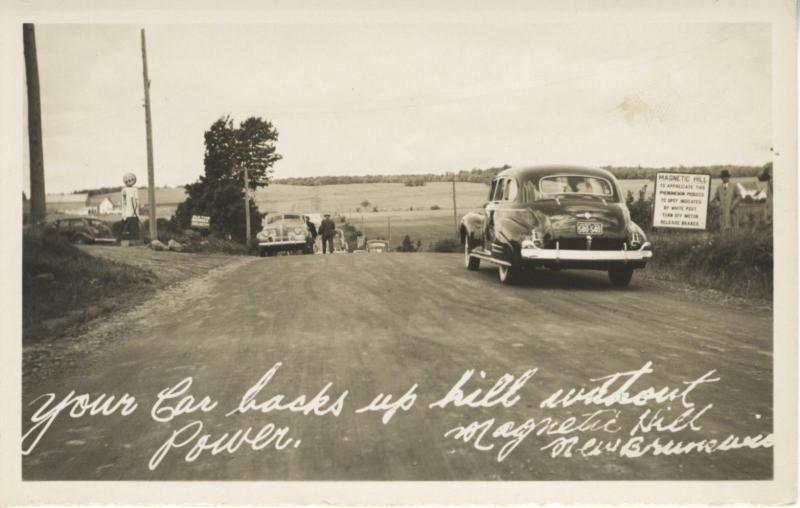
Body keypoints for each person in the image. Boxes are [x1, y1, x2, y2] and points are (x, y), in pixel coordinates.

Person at [119, 172, 140, 245]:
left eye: (131, 180)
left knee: (134, 229)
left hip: (134, 214)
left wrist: (135, 212)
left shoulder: (135, 189)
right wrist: (124, 213)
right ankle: (121, 241)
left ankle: (134, 242)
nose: (129, 182)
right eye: (127, 181)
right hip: (126, 213)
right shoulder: (124, 190)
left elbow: (136, 201)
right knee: (123, 229)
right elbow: (123, 202)